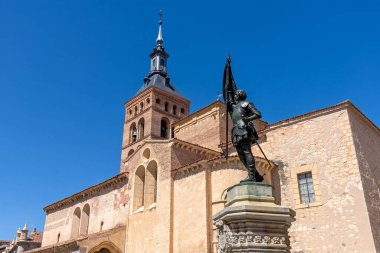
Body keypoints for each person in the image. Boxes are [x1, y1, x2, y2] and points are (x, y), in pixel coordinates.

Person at [227, 89, 264, 182]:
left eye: (236, 94)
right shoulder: (234, 107)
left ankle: (251, 176)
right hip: (236, 131)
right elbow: (229, 97)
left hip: (244, 129)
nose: (235, 96)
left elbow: (258, 114)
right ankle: (256, 175)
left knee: (246, 151)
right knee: (241, 155)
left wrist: (247, 119)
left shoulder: (246, 104)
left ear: (239, 95)